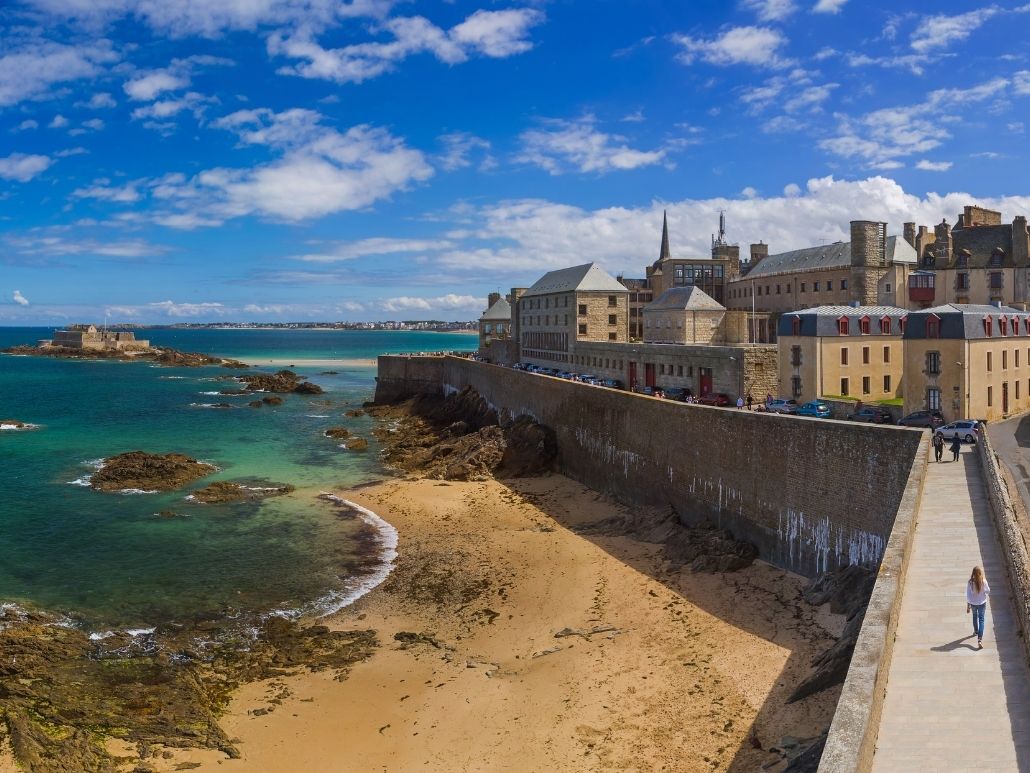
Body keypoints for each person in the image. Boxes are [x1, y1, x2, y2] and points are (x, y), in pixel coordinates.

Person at [966, 566, 990, 649]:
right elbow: (988, 591)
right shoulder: (983, 581)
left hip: (973, 603)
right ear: (980, 573)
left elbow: (968, 595)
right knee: (981, 620)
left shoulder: (970, 582)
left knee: (974, 617)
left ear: (973, 573)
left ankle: (976, 631)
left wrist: (968, 606)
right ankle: (979, 639)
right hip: (982, 603)